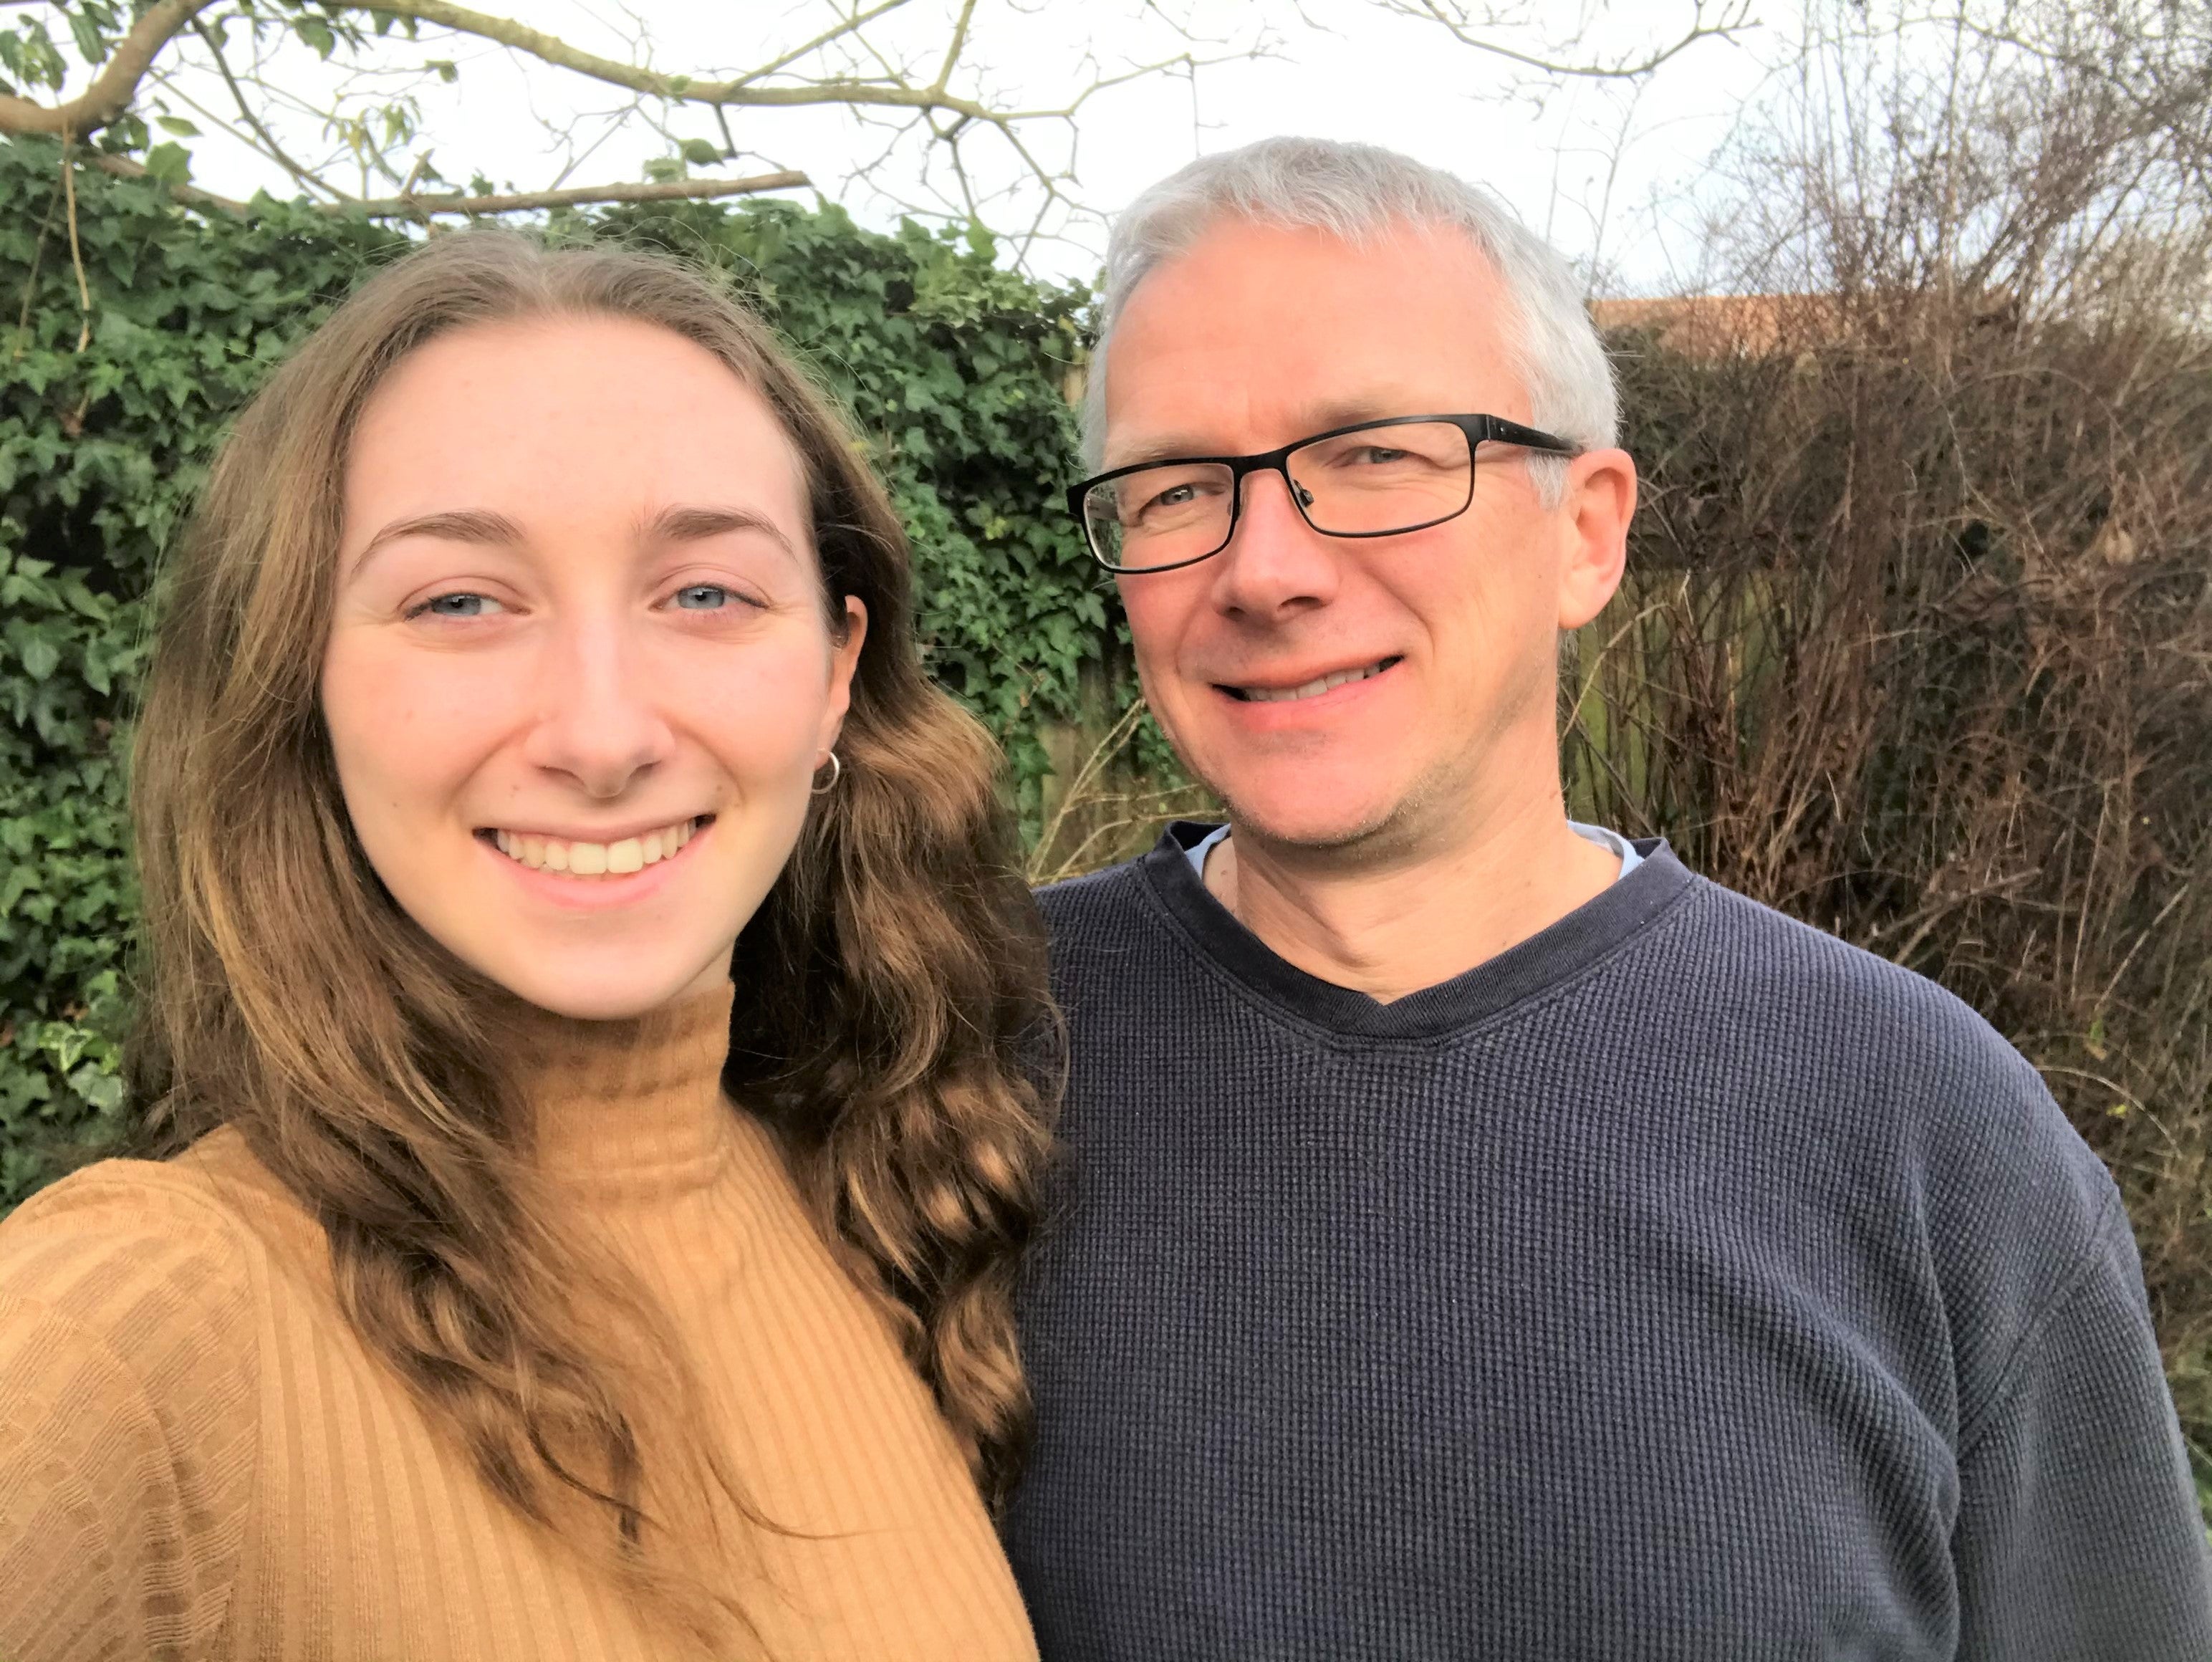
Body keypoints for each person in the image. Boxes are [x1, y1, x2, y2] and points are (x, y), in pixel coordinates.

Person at [1003, 136, 2212, 1660]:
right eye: (1176, 485)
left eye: (1375, 454)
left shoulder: (1920, 1132)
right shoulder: (933, 1062)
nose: (1263, 566)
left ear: (1585, 530)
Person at [0, 232, 1052, 1661]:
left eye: (705, 594)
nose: (602, 735)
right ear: (297, 679)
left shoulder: (863, 1209)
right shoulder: (128, 1338)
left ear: (831, 674)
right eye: (458, 601)